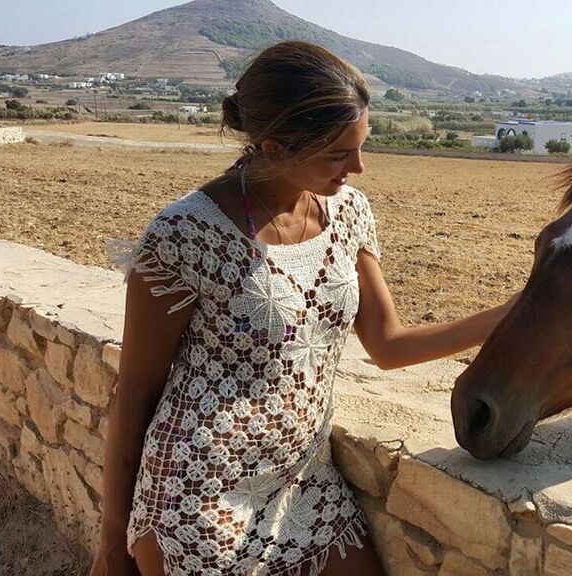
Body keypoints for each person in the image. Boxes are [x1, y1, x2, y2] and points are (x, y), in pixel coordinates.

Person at [90, 40, 516, 576]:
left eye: (360, 146)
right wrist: (112, 543)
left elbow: (388, 345)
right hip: (197, 494)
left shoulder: (348, 212)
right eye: (338, 153)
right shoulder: (185, 234)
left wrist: (507, 315)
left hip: (305, 484)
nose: (358, 167)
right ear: (273, 147)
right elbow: (135, 390)